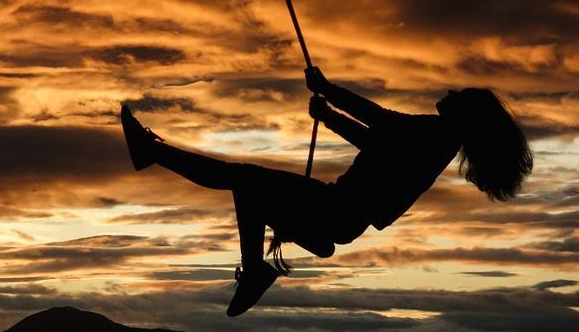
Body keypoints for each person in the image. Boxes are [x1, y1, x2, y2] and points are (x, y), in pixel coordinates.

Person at [120, 66, 533, 317]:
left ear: (466, 116)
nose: (449, 94)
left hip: (335, 209)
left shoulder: (435, 134)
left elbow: (380, 124)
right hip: (339, 211)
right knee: (248, 186)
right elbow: (379, 138)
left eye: (458, 97)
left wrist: (328, 93)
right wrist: (329, 111)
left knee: (243, 179)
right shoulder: (436, 139)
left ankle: (153, 153)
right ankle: (154, 154)